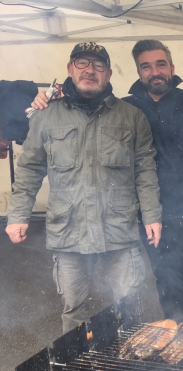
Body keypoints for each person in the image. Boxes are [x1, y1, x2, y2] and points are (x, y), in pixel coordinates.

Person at [30, 40, 183, 323]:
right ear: (138, 71)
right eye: (146, 66)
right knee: (166, 275)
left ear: (172, 67)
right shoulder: (127, 107)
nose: (154, 71)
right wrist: (43, 101)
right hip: (150, 211)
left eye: (161, 64)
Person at [5, 42, 162, 333]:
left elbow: (145, 170)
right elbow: (29, 169)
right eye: (82, 63)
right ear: (70, 69)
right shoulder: (45, 116)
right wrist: (17, 215)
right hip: (69, 230)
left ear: (109, 74)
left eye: (98, 65)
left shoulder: (132, 117)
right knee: (75, 312)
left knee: (129, 305)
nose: (90, 70)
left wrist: (152, 214)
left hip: (119, 228)